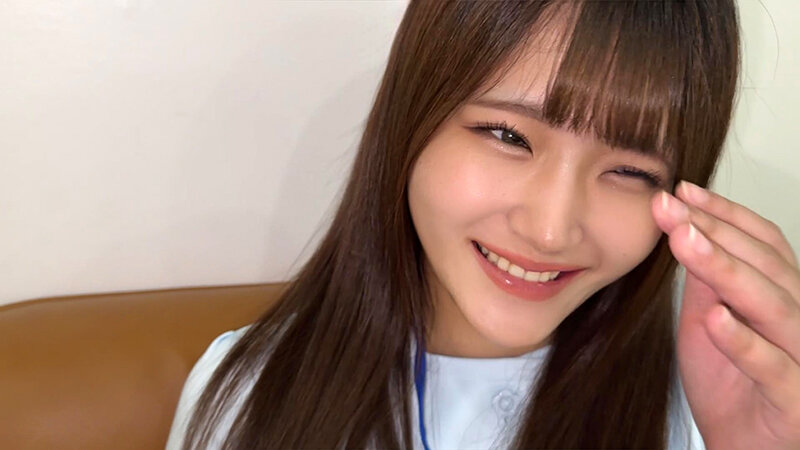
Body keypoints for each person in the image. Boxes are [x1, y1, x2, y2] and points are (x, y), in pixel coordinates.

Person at [167, 1, 800, 449]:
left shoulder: (711, 409)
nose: (551, 230)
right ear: (411, 121)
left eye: (632, 171)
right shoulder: (250, 392)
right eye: (508, 136)